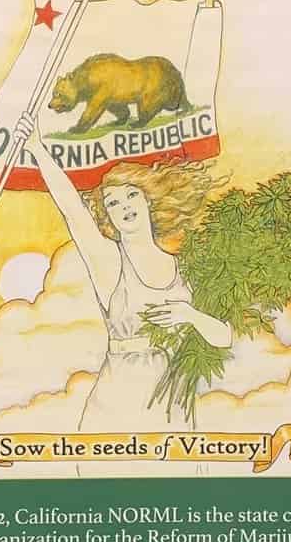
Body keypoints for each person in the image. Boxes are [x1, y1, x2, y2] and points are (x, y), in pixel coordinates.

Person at [25, 127, 231, 430]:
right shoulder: (109, 262)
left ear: (149, 200)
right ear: (107, 215)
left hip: (172, 401)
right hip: (118, 401)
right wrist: (36, 148)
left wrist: (189, 316)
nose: (124, 207)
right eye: (113, 203)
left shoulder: (186, 267)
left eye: (131, 195)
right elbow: (73, 211)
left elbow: (224, 337)